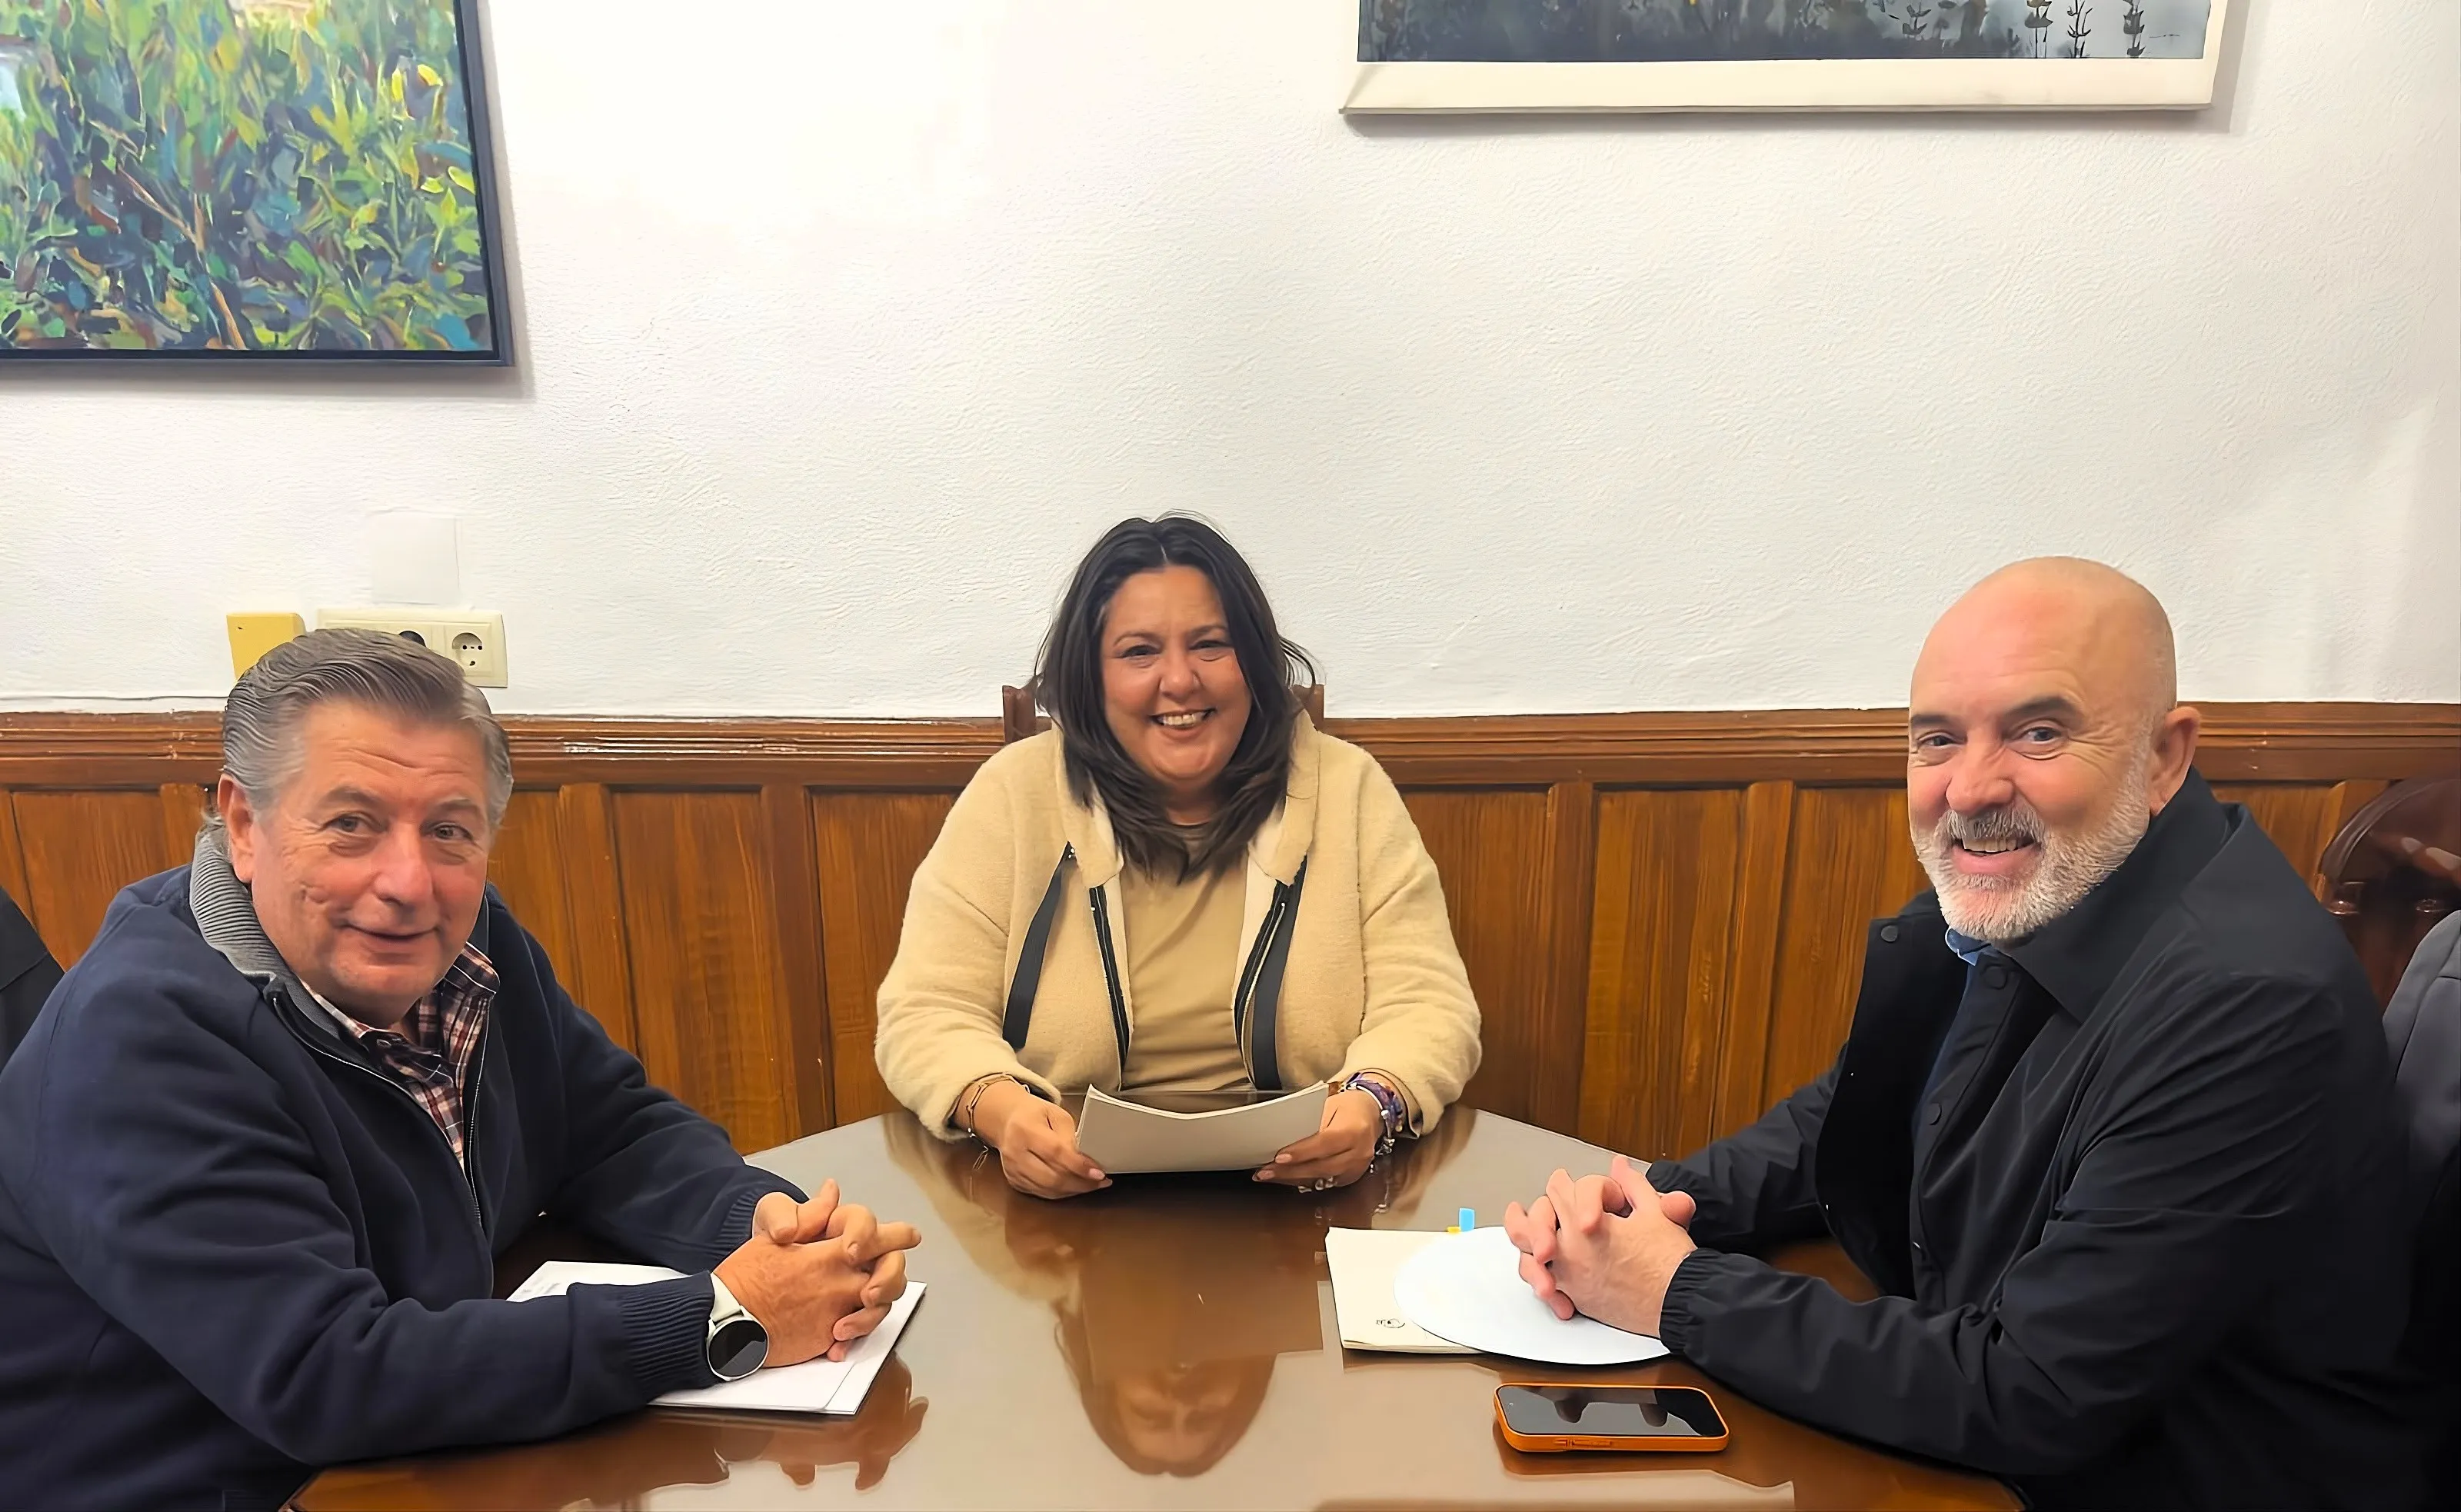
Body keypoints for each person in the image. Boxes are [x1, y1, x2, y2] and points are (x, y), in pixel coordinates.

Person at [1503, 558, 2420, 1510]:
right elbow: (1848, 1119)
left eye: (2037, 731)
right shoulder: (2044, 884)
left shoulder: (2247, 1001)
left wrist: (1675, 1291)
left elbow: (2033, 1386)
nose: (1971, 788)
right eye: (1936, 739)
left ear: (2163, 756)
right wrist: (1639, 1208)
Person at [0, 630, 921, 1509]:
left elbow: (611, 1131)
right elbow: (327, 1375)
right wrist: (727, 1315)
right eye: (352, 824)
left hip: (430, 1457)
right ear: (244, 824)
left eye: (450, 831)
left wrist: (762, 1225)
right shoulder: (139, 1038)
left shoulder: (471, 938)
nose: (409, 882)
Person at [874, 515, 1481, 1197]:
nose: (1180, 681)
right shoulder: (1014, 793)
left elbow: (1431, 1008)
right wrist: (1000, 1108)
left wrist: (1374, 1102)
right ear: (1090, 679)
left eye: (1211, 645)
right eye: (1138, 652)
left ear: (1253, 663)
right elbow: (925, 1012)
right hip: (1065, 1198)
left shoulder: (1349, 788)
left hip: (1301, 1194)